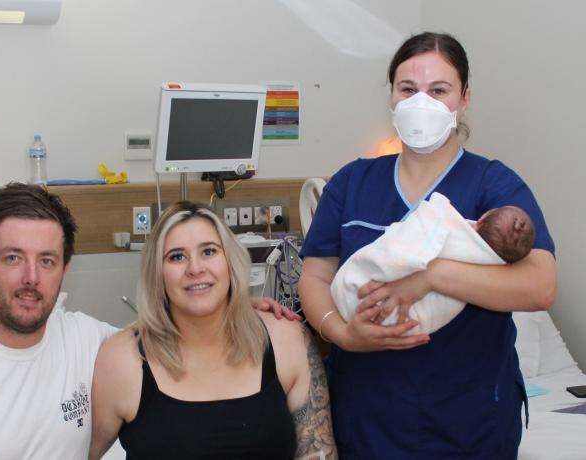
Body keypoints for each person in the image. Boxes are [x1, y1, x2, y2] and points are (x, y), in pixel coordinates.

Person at [0, 183, 293, 459]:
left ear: (65, 267)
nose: (31, 279)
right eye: (13, 258)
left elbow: (171, 334)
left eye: (47, 261)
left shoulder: (91, 343)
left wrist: (227, 304)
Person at [298, 32, 556, 459]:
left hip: (471, 421)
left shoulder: (494, 185)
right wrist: (343, 334)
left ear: (464, 98)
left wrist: (433, 277)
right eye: (408, 89)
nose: (422, 102)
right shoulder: (352, 183)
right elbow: (316, 275)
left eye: (439, 90)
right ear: (392, 98)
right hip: (368, 415)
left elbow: (540, 285)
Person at [90, 201, 336, 460]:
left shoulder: (287, 340)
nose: (195, 269)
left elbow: (318, 451)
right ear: (157, 275)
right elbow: (81, 451)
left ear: (230, 263)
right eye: (176, 256)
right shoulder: (122, 360)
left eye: (208, 252)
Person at [332, 193, 535, 334]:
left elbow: (540, 291)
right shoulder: (492, 268)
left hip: (359, 292)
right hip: (392, 331)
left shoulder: (443, 219)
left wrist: (429, 276)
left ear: (481, 219)